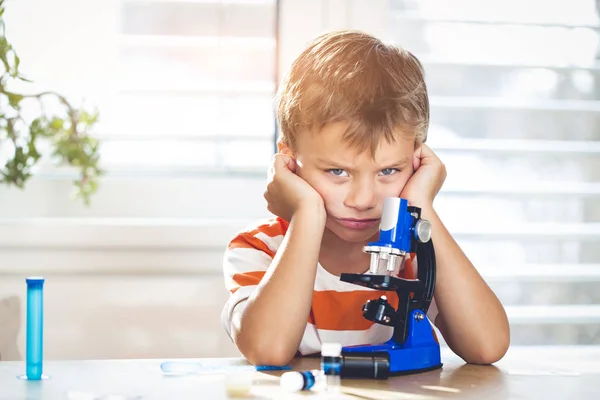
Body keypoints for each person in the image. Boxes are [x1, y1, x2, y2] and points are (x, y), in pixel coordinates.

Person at [220, 30, 510, 366]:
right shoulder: (259, 247)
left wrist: (421, 205)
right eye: (337, 172)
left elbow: (488, 346)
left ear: (416, 162)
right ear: (289, 162)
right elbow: (268, 349)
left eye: (388, 171)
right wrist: (307, 213)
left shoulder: (412, 254)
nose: (362, 199)